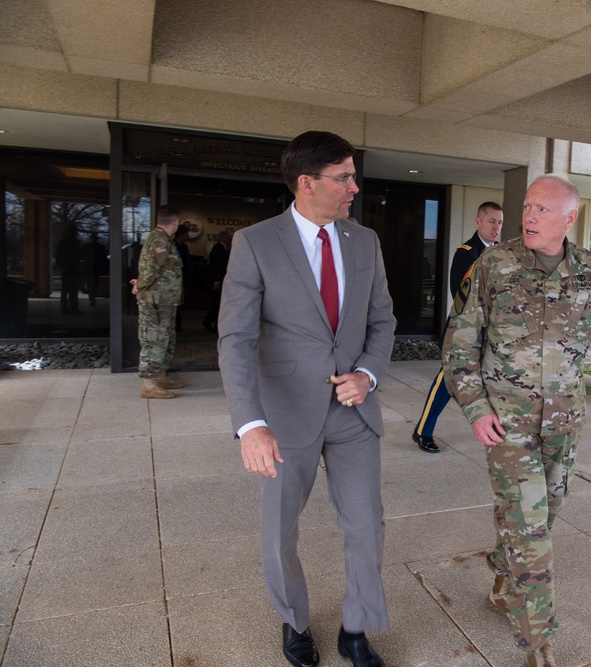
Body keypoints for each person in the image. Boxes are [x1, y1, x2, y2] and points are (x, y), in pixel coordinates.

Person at [442, 175, 591, 667]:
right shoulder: (493, 265)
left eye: (542, 209)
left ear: (569, 219)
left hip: (564, 423)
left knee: (542, 515)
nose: (529, 216)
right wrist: (475, 409)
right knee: (531, 530)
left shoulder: (590, 271)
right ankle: (539, 645)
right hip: (507, 422)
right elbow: (459, 345)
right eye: (527, 207)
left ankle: (501, 572)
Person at [217, 131, 395, 667]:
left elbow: (383, 321)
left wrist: (367, 373)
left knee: (367, 526)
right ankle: (294, 622)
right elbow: (236, 339)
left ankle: (356, 628)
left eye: (352, 176)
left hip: (354, 413)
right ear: (306, 182)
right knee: (280, 532)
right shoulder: (256, 243)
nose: (354, 188)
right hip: (285, 417)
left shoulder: (364, 242)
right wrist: (250, 424)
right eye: (343, 177)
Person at [412, 201, 504, 453]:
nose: (496, 227)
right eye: (491, 221)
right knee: (446, 381)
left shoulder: (502, 253)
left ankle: (494, 427)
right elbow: (461, 295)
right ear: (478, 222)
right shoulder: (466, 253)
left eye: (499, 222)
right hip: (464, 332)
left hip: (491, 332)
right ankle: (422, 431)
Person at [133, 207, 185, 399]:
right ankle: (149, 384)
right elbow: (150, 270)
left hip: (165, 301)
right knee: (154, 339)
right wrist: (140, 285)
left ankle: (160, 376)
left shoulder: (164, 240)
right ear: (175, 222)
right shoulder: (158, 240)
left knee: (165, 339)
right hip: (156, 301)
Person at [203, 229, 232, 332]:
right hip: (218, 281)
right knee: (218, 303)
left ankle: (213, 321)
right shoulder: (218, 249)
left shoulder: (224, 249)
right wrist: (217, 281)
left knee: (219, 303)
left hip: (222, 280)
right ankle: (210, 321)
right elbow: (217, 267)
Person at [55, 223, 83, 315]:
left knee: (65, 290)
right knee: (73, 290)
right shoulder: (76, 242)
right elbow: (78, 255)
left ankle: (64, 308)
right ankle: (73, 308)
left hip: (66, 268)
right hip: (73, 268)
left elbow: (58, 255)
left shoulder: (62, 242)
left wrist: (60, 266)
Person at [173, 223, 194, 332]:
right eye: (186, 233)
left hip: (183, 277)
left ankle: (178, 324)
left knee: (180, 300)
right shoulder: (172, 246)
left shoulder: (185, 247)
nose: (188, 236)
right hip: (173, 279)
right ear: (181, 234)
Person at [81, 231, 108, 307]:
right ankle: (92, 297)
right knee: (94, 284)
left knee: (90, 284)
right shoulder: (100, 247)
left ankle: (91, 297)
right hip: (95, 268)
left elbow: (82, 256)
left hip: (89, 268)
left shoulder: (86, 246)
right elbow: (104, 259)